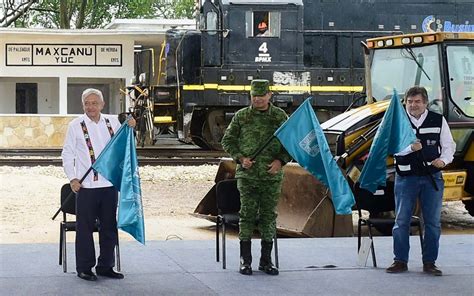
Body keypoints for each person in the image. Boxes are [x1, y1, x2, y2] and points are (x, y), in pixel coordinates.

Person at [62, 88, 136, 281]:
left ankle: (106, 266)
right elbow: (67, 154)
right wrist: (72, 178)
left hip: (109, 185)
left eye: (94, 103)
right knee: (84, 229)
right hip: (86, 187)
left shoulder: (113, 121)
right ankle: (84, 267)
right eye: (87, 103)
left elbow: (127, 141)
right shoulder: (75, 125)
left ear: (102, 105)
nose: (91, 107)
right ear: (83, 105)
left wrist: (132, 126)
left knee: (109, 227)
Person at [221, 79, 291, 276]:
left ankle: (266, 261)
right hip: (248, 176)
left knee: (269, 217)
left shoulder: (279, 117)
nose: (258, 100)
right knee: (247, 216)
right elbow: (227, 140)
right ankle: (246, 260)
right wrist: (240, 158)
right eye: (254, 97)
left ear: (269, 95)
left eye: (261, 97)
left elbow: (291, 142)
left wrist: (281, 161)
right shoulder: (241, 116)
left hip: (271, 176)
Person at [386, 86, 455, 276]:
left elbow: (449, 145)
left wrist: (444, 160)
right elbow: (392, 147)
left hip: (431, 178)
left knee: (432, 222)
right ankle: (400, 261)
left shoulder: (438, 120)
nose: (413, 105)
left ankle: (430, 263)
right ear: (405, 103)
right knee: (401, 221)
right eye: (410, 102)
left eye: (417, 102)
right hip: (405, 178)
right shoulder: (399, 122)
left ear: (425, 103)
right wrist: (410, 148)